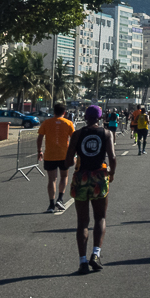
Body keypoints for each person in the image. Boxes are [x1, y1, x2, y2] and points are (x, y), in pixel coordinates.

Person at [64, 105, 117, 274]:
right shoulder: (106, 133)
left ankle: (82, 262)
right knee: (100, 217)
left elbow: (68, 159)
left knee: (82, 222)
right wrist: (111, 174)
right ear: (100, 118)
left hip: (81, 177)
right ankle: (96, 254)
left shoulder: (77, 134)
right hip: (99, 177)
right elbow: (113, 157)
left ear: (85, 117)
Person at [37, 103, 76, 213]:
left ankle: (51, 204)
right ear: (64, 112)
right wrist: (74, 154)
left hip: (50, 155)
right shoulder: (68, 123)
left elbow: (40, 137)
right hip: (64, 155)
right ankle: (60, 198)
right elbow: (74, 139)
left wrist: (39, 150)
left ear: (53, 111)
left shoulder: (46, 123)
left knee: (52, 179)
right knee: (64, 176)